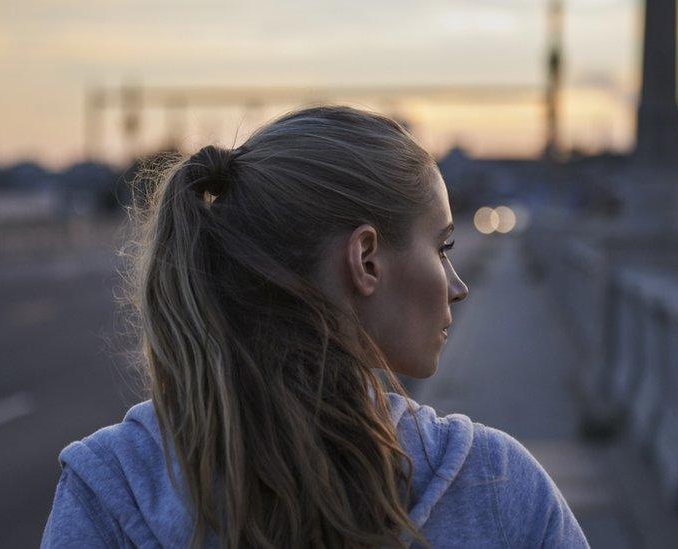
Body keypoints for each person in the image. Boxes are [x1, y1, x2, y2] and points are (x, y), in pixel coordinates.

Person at [40, 105, 589, 548]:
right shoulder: (493, 485)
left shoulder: (113, 486)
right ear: (366, 260)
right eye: (442, 247)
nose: (457, 284)